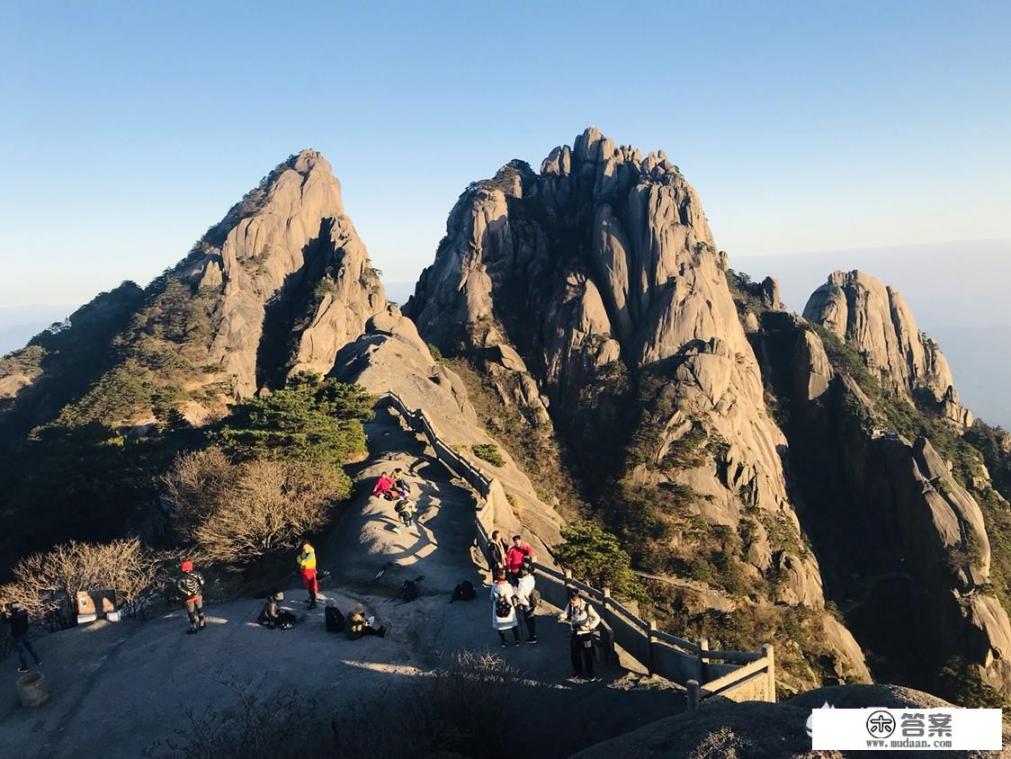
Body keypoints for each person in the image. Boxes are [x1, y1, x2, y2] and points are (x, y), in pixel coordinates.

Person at [560, 589, 601, 681]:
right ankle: (578, 672)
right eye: (570, 600)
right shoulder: (570, 605)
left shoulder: (587, 607)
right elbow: (565, 614)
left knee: (588, 654)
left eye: (574, 600)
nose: (572, 602)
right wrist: (562, 616)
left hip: (585, 633)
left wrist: (591, 626)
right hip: (574, 632)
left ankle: (590, 674)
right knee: (575, 654)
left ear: (579, 599)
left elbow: (597, 617)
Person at [4, 603, 41, 672]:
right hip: (24, 633)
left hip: (17, 636)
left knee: (21, 652)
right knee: (30, 648)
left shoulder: (13, 617)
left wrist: (3, 612)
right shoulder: (24, 613)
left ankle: (25, 667)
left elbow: (5, 621)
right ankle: (37, 661)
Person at [175, 560, 206, 635]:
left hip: (188, 597)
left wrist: (188, 592)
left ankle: (193, 627)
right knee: (200, 609)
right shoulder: (197, 573)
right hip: (198, 594)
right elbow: (202, 582)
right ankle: (202, 624)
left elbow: (179, 587)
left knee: (191, 612)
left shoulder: (180, 578)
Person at [490, 573, 520, 647]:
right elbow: (512, 594)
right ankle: (517, 641)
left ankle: (504, 642)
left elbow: (491, 598)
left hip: (498, 609)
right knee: (513, 625)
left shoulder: (494, 587)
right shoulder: (508, 586)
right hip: (508, 608)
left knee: (500, 627)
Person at [512, 566, 538, 643]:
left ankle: (532, 637)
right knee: (531, 618)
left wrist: (514, 590)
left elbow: (519, 595)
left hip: (526, 602)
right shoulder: (531, 578)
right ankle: (533, 633)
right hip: (532, 600)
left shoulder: (522, 583)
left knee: (528, 619)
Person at [297, 541, 318, 609]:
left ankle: (313, 602)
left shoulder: (310, 552)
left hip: (309, 571)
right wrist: (300, 560)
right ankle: (311, 598)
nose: (304, 547)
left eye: (304, 545)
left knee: (311, 587)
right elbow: (300, 559)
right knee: (309, 586)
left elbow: (304, 561)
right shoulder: (305, 552)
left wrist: (301, 561)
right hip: (306, 571)